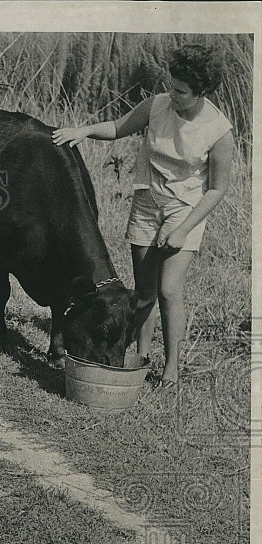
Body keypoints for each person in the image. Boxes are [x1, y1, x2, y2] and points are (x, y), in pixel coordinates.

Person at [52, 44, 234, 387]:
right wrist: (83, 131)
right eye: (172, 85)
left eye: (181, 91)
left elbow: (216, 190)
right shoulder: (156, 105)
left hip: (186, 209)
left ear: (202, 92)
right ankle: (141, 359)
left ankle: (171, 372)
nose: (173, 94)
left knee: (168, 290)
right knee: (145, 293)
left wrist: (182, 230)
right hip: (147, 202)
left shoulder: (219, 131)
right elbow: (119, 127)